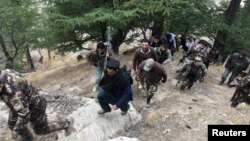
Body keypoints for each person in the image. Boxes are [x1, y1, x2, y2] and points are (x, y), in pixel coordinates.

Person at [0, 69, 74, 141]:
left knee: (40, 130)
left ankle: (66, 124)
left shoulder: (12, 94)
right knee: (12, 124)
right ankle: (28, 138)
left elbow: (24, 114)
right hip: (23, 102)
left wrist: (16, 131)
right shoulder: (6, 72)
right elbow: (19, 78)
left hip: (35, 104)